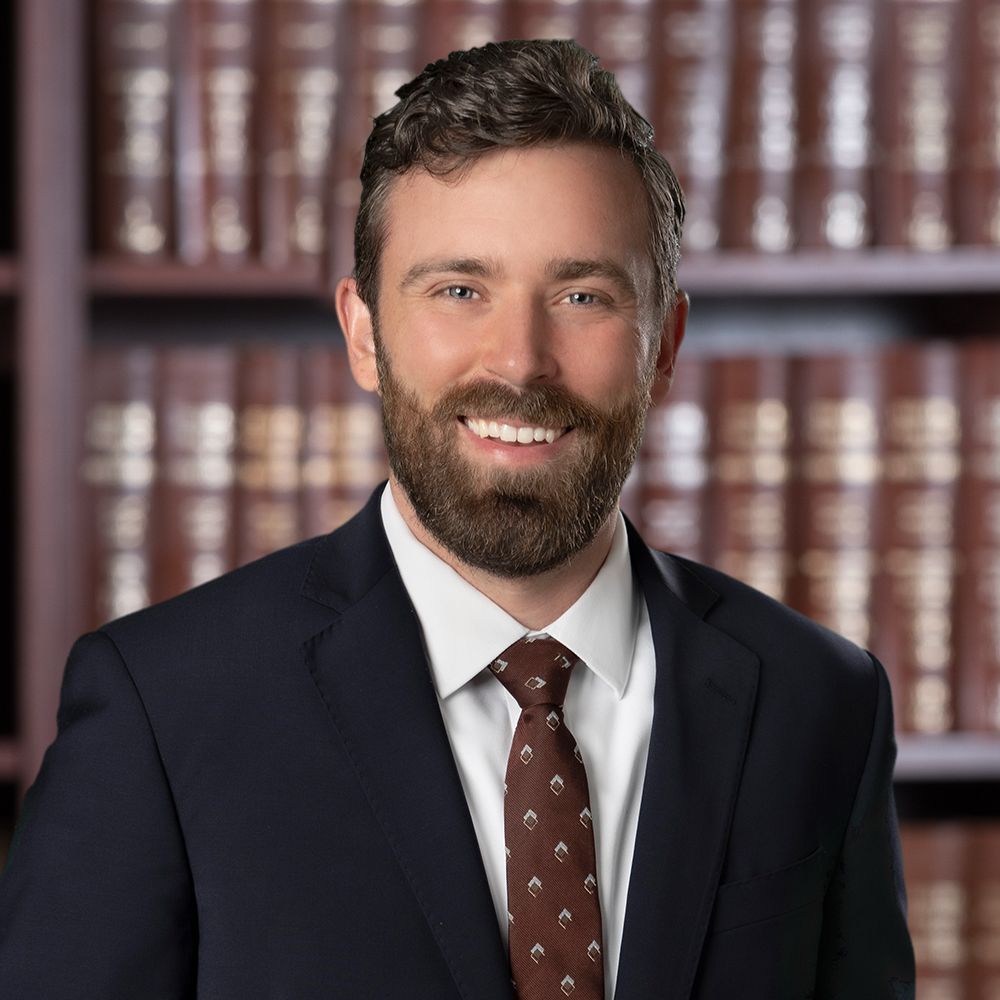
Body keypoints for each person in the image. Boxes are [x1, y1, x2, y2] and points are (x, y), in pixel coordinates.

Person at [0, 39, 913, 999]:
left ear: (665, 345)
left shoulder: (823, 705)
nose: (518, 362)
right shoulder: (164, 709)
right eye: (459, 290)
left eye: (582, 295)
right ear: (363, 333)